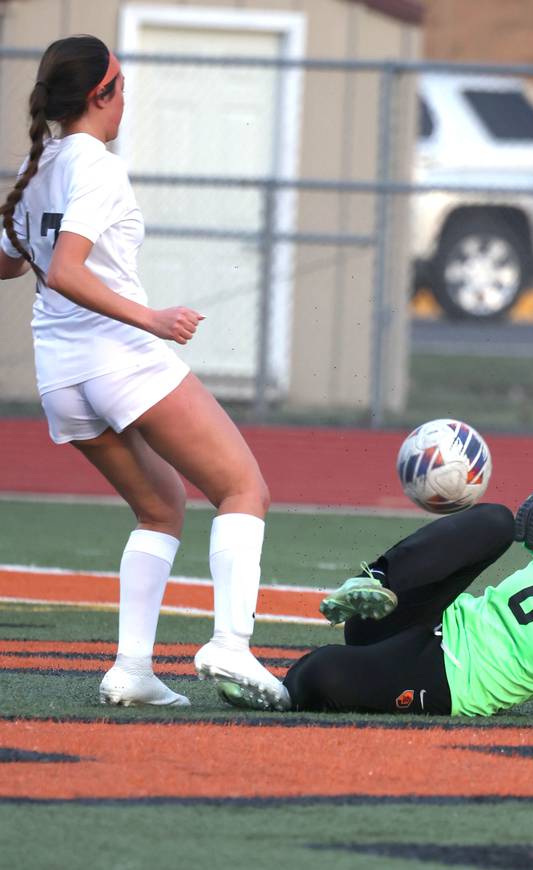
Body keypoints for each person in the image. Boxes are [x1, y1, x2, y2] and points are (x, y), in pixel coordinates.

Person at [0, 35, 288, 710]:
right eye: (120, 83)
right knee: (244, 488)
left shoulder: (36, 165)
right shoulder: (96, 167)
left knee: (161, 507)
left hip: (60, 371)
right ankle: (231, 642)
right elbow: (67, 270)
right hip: (115, 356)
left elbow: (11, 264)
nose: (125, 96)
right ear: (100, 95)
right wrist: (151, 319)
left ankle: (131, 669)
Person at [218, 487, 533, 720]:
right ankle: (374, 581)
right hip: (425, 620)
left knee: (321, 671)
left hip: (453, 683)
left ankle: (285, 693)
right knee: (496, 521)